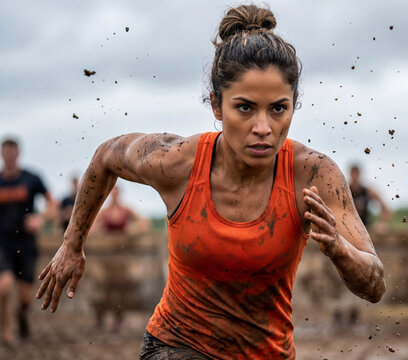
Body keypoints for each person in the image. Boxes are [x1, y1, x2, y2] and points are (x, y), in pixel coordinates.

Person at [36, 5, 385, 359]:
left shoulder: (313, 175)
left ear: (294, 105)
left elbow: (375, 285)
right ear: (217, 106)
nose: (263, 128)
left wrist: (340, 249)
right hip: (176, 345)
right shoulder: (178, 161)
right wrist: (71, 243)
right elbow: (107, 156)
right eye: (245, 108)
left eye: (278, 109)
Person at [0, 138, 56, 345]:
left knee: (25, 296)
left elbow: (53, 204)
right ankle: (6, 331)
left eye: (12, 153)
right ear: (2, 155)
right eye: (6, 153)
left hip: (26, 244)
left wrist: (40, 218)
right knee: (4, 286)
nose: (9, 156)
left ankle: (21, 316)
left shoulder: (32, 178)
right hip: (3, 243)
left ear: (18, 154)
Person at [90, 185, 150, 333]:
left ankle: (118, 320)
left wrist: (133, 229)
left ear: (120, 194)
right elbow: (91, 227)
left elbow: (144, 223)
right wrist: (99, 230)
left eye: (117, 193)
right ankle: (101, 316)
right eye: (112, 193)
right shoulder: (104, 211)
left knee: (122, 289)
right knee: (104, 288)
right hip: (107, 258)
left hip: (123, 257)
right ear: (110, 194)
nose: (115, 196)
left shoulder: (126, 210)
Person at [348, 164, 391, 235]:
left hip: (365, 230)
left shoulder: (367, 191)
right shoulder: (344, 191)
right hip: (348, 228)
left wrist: (382, 223)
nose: (355, 176)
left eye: (356, 174)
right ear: (350, 174)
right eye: (353, 174)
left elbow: (386, 209)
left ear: (359, 174)